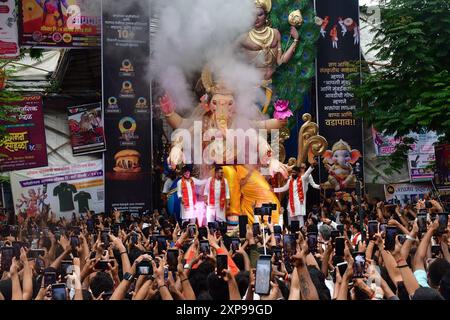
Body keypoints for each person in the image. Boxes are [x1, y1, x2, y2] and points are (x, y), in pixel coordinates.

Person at [273, 162, 320, 226]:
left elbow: (307, 173)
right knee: (291, 220)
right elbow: (284, 188)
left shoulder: (302, 179)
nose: (292, 174)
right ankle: (292, 233)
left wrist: (311, 167)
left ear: (298, 173)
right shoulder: (290, 181)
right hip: (291, 203)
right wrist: (274, 190)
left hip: (299, 203)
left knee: (299, 219)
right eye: (292, 172)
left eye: (294, 172)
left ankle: (301, 233)